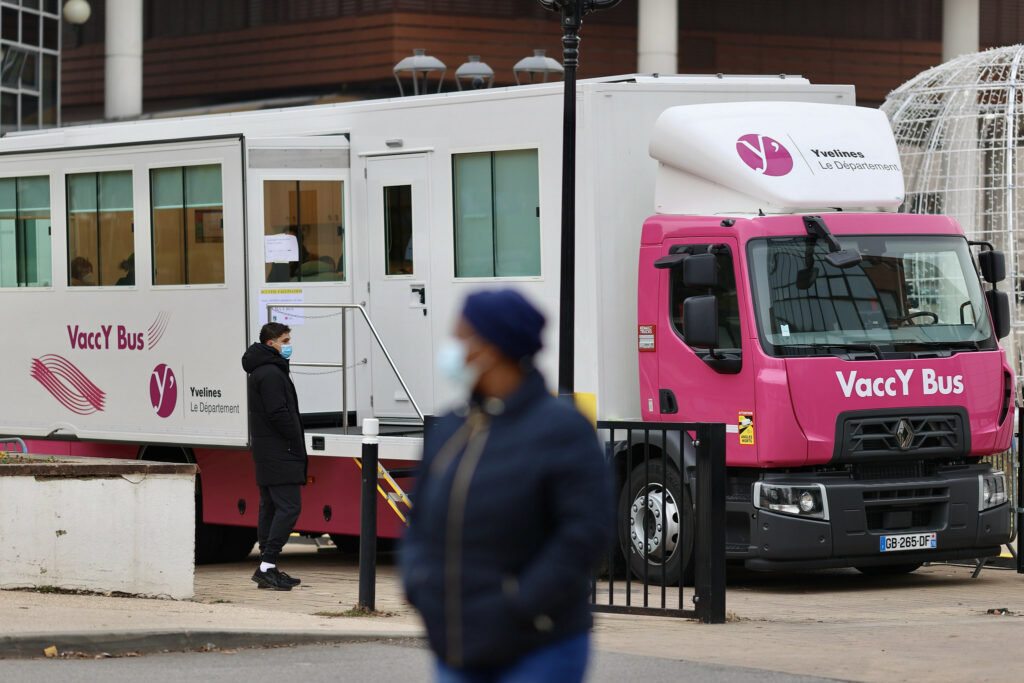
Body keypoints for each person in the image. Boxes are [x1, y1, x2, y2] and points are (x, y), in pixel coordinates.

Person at [400, 289, 613, 683]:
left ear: (493, 348)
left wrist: (520, 602)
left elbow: (585, 532)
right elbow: (420, 522)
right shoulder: (449, 428)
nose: (453, 350)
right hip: (456, 647)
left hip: (538, 647)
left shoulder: (562, 428)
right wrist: (418, 584)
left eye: (462, 337)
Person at [241, 322, 307, 591]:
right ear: (271, 344)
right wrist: (295, 436)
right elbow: (277, 412)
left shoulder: (265, 370)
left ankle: (268, 567)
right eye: (285, 339)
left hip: (269, 450)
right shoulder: (270, 372)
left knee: (270, 506)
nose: (289, 344)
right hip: (280, 450)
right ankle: (267, 565)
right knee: (289, 506)